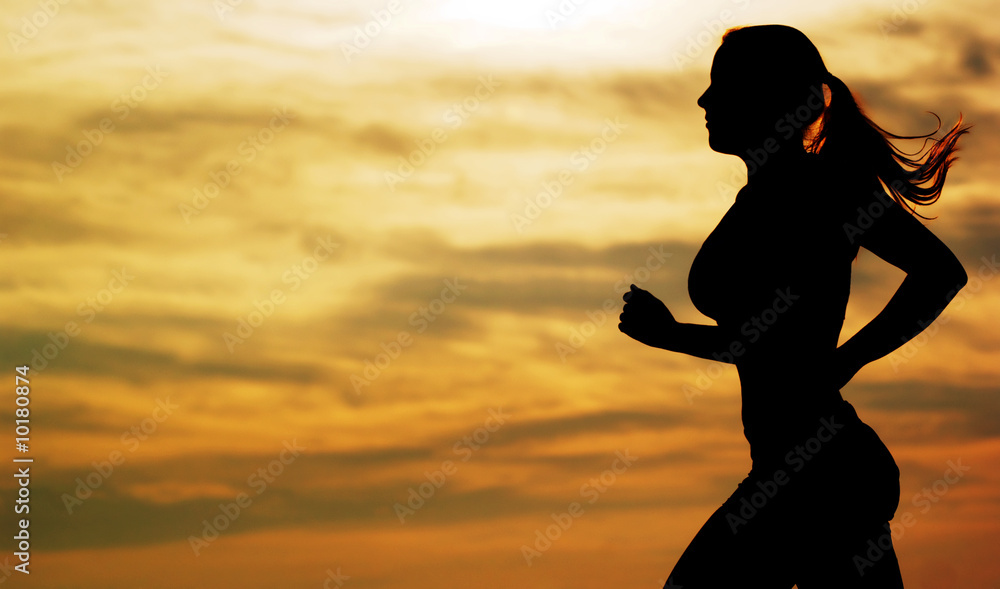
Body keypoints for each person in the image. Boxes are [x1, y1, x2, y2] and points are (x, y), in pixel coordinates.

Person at [618, 24, 970, 587]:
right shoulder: (764, 197)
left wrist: (844, 361)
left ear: (768, 99)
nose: (705, 101)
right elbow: (767, 346)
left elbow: (940, 273)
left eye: (722, 87)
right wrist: (670, 333)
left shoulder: (820, 190)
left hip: (818, 473)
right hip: (799, 466)